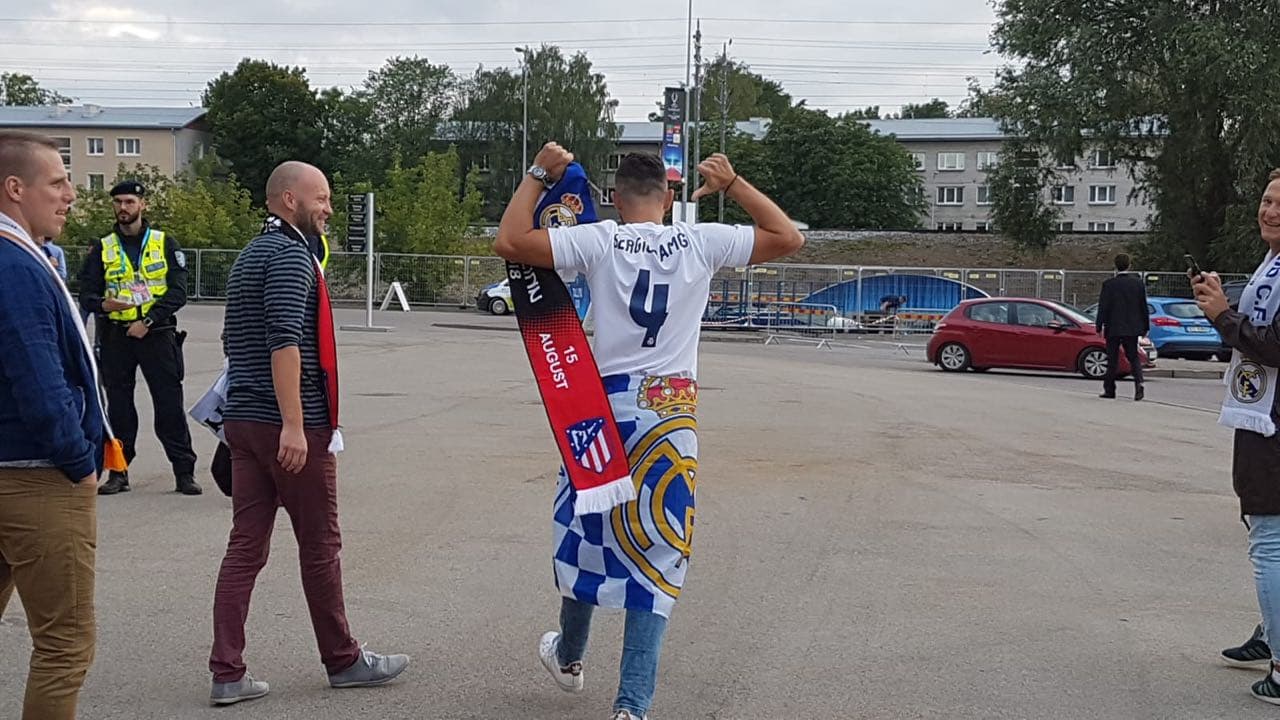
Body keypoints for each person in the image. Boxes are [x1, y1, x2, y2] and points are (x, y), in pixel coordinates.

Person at [495, 144, 804, 720]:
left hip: (600, 408)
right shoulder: (701, 241)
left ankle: (568, 656)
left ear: (613, 198)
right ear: (668, 196)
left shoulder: (601, 239)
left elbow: (511, 242)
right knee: (658, 552)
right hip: (670, 413)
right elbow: (787, 237)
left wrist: (538, 172)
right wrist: (733, 183)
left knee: (589, 532)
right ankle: (631, 708)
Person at [207, 160, 407, 705]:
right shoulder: (293, 256)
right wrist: (295, 425)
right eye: (321, 198)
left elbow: (234, 338)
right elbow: (285, 341)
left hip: (243, 422)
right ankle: (343, 660)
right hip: (289, 424)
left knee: (245, 546)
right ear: (289, 199)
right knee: (320, 545)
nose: (329, 208)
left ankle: (227, 671)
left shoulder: (249, 255)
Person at [0, 130, 108, 719]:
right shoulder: (15, 265)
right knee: (65, 647)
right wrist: (79, 460)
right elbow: (39, 380)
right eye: (58, 182)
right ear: (15, 190)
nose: (70, 194)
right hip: (36, 479)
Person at [1194, 168, 1280, 706]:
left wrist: (1224, 317)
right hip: (1262, 415)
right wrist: (1222, 307)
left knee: (1269, 537)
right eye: (1268, 200)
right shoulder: (1272, 264)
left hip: (1273, 426)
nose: (1269, 211)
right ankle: (1271, 630)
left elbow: (1273, 345)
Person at [79, 181, 200, 495]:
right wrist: (102, 304)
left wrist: (147, 321)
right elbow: (87, 293)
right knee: (119, 407)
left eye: (129, 201)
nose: (123, 208)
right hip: (116, 335)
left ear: (142, 205)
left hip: (156, 334)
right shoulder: (103, 247)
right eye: (118, 202)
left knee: (169, 404)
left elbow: (178, 292)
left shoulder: (164, 243)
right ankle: (119, 472)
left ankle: (183, 471)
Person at [1095, 253, 1150, 401]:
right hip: (1132, 328)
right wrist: (1146, 326)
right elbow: (1143, 306)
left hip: (1113, 327)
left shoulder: (1109, 284)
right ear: (1129, 265)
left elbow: (1103, 306)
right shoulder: (1138, 284)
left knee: (1112, 359)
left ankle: (1110, 389)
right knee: (1133, 357)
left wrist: (1099, 325)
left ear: (1115, 265)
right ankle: (1139, 384)